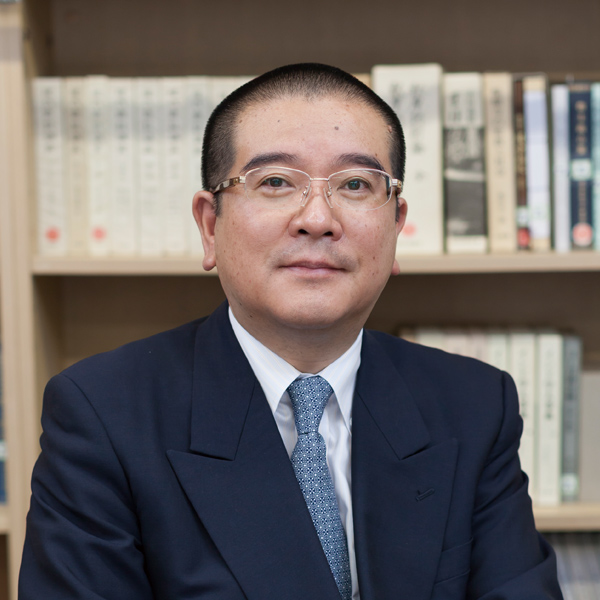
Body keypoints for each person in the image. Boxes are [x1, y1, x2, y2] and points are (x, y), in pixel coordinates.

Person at [19, 63, 563, 600]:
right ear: (210, 225)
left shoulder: (474, 405)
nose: (317, 219)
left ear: (396, 227)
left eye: (355, 184)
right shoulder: (103, 415)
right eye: (276, 182)